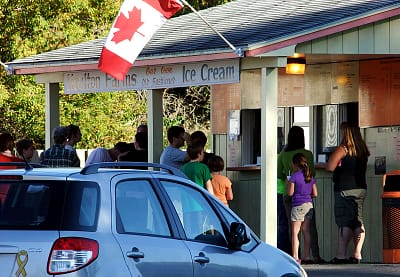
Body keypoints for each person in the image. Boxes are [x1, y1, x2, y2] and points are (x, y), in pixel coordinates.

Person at [277, 126, 323, 262]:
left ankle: (294, 255)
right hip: (306, 196)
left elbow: (279, 174)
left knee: (293, 228)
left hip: (289, 194)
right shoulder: (308, 154)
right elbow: (312, 173)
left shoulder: (283, 155)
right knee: (309, 228)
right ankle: (313, 255)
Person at [326, 122, 370, 264]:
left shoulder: (344, 149)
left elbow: (330, 167)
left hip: (344, 189)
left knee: (345, 222)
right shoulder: (362, 150)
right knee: (358, 221)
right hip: (360, 189)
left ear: (346, 133)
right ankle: (357, 254)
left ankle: (341, 255)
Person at [288, 153, 318, 264]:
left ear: (295, 164)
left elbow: (290, 193)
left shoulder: (294, 176)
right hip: (309, 205)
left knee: (295, 232)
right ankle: (307, 256)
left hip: (298, 205)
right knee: (306, 231)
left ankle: (295, 256)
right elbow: (315, 193)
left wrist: (289, 185)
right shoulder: (310, 176)